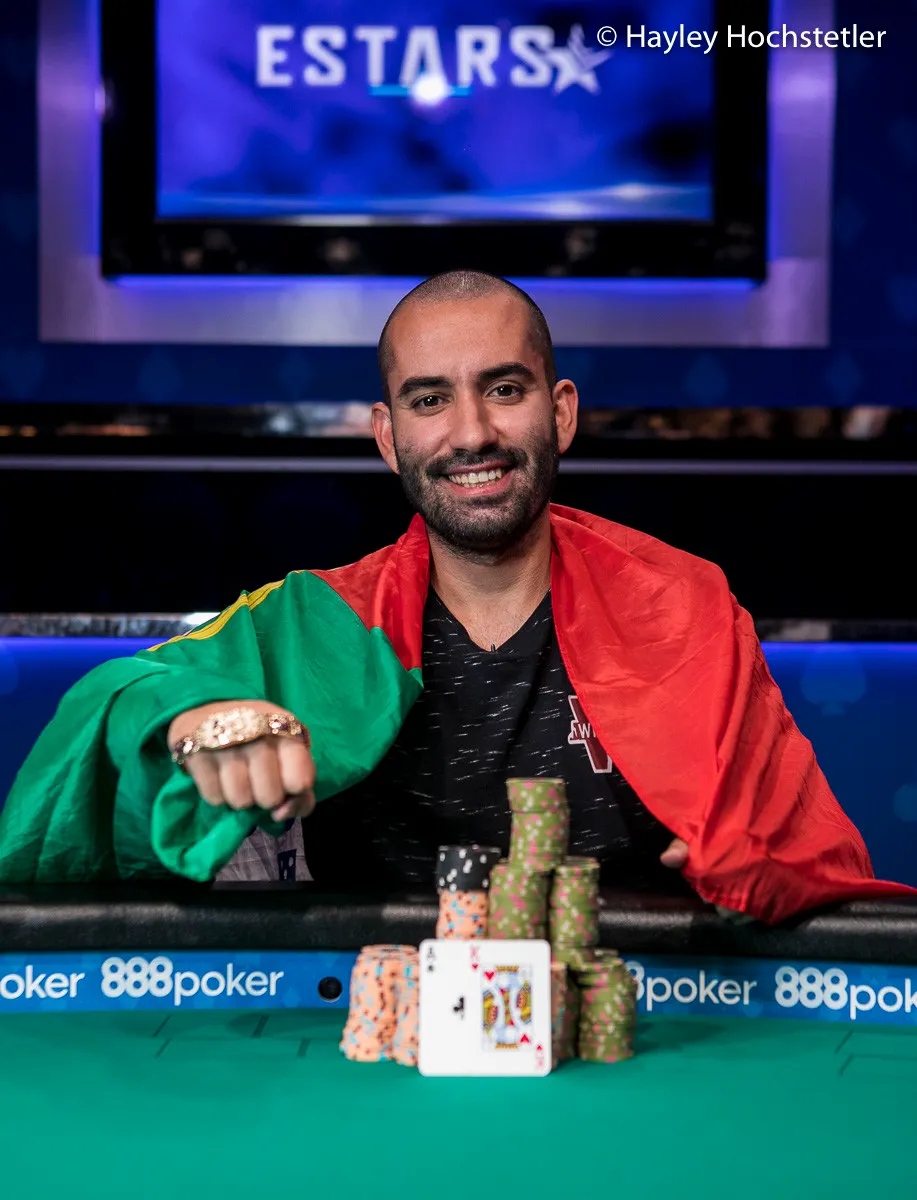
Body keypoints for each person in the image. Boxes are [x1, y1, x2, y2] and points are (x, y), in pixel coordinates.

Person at [0, 271, 913, 924]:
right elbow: (116, 700)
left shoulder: (679, 602)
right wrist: (202, 720)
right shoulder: (318, 615)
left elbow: (811, 851)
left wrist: (749, 860)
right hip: (360, 1042)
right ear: (387, 437)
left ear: (559, 412)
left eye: (503, 389)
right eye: (429, 400)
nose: (471, 433)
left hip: (641, 1031)